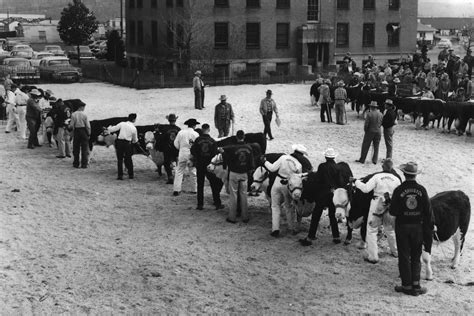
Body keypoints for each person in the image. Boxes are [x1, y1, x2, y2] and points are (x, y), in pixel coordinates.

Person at [390, 162, 434, 296]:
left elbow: (392, 211)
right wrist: (431, 227)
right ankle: (416, 285)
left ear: (404, 174)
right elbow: (428, 212)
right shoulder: (422, 190)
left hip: (402, 226)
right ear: (415, 175)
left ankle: (406, 285)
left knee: (404, 256)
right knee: (416, 255)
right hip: (417, 227)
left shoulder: (398, 190)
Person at [351, 159, 401, 263]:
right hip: (390, 204)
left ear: (382, 167)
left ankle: (373, 256)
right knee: (390, 229)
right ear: (392, 168)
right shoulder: (396, 179)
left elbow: (365, 189)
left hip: (377, 204)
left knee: (372, 230)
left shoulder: (377, 177)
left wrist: (355, 181)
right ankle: (395, 251)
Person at [299, 148, 341, 246]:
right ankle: (336, 236)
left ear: (326, 157)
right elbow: (339, 182)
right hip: (333, 194)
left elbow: (318, 179)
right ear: (334, 157)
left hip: (322, 194)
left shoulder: (322, 166)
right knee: (332, 215)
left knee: (316, 215)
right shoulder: (338, 168)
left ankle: (310, 237)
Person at [221, 130, 255, 223]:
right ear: (244, 137)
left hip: (234, 173)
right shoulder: (249, 148)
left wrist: (223, 152)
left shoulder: (232, 148)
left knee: (233, 195)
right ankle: (245, 216)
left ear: (236, 137)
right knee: (244, 195)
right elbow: (251, 163)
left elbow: (227, 158)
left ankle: (232, 217)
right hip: (244, 174)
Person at [190, 123, 224, 210]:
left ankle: (200, 204)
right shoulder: (212, 141)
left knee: (200, 184)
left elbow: (193, 151)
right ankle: (217, 203)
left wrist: (198, 158)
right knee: (213, 184)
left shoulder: (197, 140)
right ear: (209, 130)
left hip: (200, 164)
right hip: (209, 165)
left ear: (201, 130)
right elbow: (215, 154)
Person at [173, 118, 200, 196]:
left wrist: (180, 149)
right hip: (191, 153)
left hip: (182, 152)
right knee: (192, 171)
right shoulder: (195, 134)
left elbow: (176, 143)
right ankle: (194, 189)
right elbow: (197, 145)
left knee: (179, 171)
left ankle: (176, 189)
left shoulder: (181, 132)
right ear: (194, 125)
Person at [107, 113, 138, 180]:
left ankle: (120, 175)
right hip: (128, 144)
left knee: (120, 160)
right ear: (134, 120)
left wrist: (109, 127)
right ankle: (131, 175)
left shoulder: (122, 124)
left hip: (120, 142)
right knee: (129, 159)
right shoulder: (134, 128)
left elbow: (112, 129)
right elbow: (135, 140)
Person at [157, 114, 181, 184]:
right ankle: (178, 177)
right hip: (176, 149)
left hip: (167, 149)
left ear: (168, 120)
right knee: (177, 162)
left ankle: (170, 176)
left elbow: (161, 139)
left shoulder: (165, 129)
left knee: (166, 163)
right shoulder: (178, 129)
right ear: (175, 120)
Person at [68, 100, 90, 168]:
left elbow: (71, 125)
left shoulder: (73, 114)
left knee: (76, 148)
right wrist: (89, 133)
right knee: (84, 148)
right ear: (81, 107)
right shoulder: (84, 114)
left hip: (77, 131)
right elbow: (88, 126)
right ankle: (84, 164)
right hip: (83, 131)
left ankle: (76, 163)